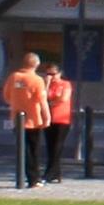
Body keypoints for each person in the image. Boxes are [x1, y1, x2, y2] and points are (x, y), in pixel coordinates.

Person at [0, 49, 49, 188]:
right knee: (33, 150)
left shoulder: (14, 77)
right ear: (36, 64)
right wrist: (47, 117)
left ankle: (27, 176)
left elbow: (6, 96)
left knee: (23, 150)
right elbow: (42, 100)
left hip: (17, 119)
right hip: (33, 120)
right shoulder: (37, 80)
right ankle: (34, 178)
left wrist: (16, 103)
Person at [40, 56, 77, 184]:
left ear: (59, 73)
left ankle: (49, 173)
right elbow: (41, 97)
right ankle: (56, 173)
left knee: (57, 146)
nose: (50, 76)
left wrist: (50, 102)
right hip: (49, 118)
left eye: (53, 74)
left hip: (62, 119)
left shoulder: (65, 84)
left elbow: (63, 98)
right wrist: (47, 83)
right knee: (50, 146)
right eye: (48, 73)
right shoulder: (46, 85)